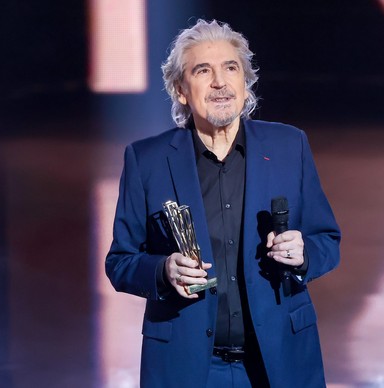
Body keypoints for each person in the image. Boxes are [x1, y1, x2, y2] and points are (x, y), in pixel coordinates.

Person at [105, 19, 341, 387]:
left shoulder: (289, 147)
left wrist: (304, 253)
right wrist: (163, 270)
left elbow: (327, 240)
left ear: (245, 84)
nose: (220, 82)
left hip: (277, 361)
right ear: (181, 90)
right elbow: (120, 262)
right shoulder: (146, 160)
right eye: (203, 70)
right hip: (187, 366)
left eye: (231, 68)